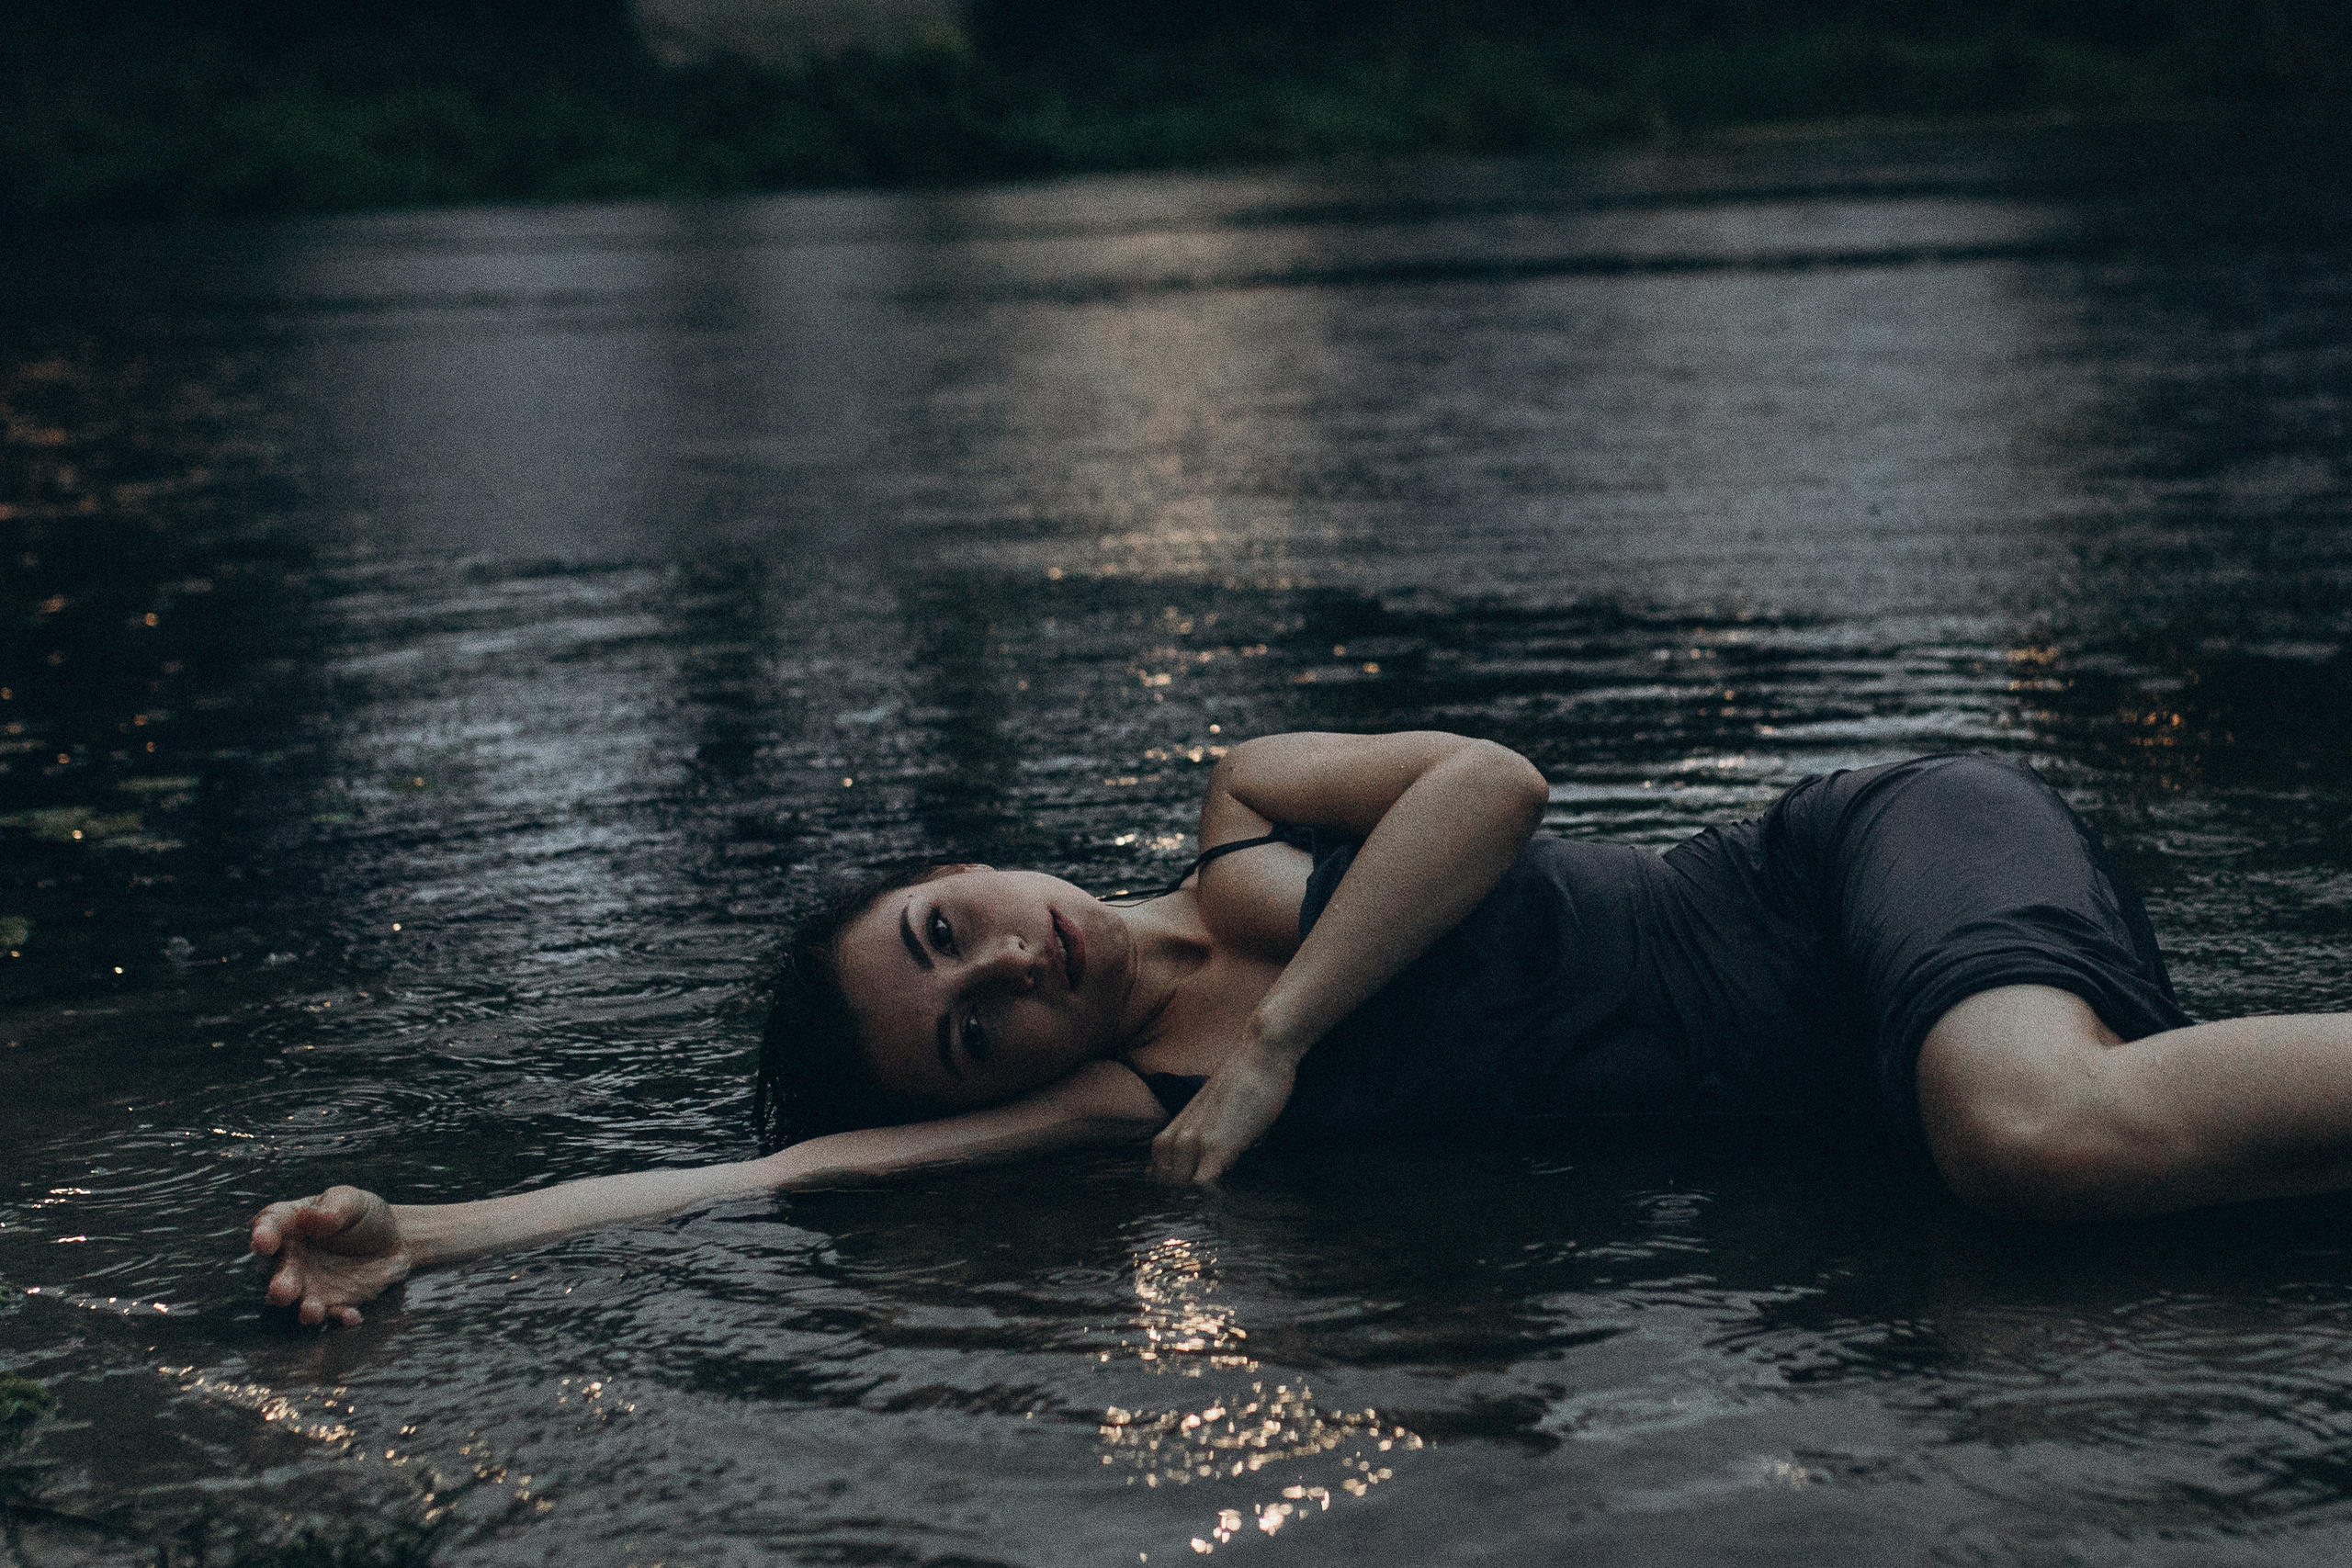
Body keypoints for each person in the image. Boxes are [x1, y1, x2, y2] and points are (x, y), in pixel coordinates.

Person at [249, 731, 2352, 1328]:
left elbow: (1490, 785)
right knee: (2046, 1264)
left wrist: (1280, 1044)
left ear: (961, 859)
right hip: (1848, 1083)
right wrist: (426, 1229)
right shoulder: (1124, 1099)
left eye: (947, 924)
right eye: (967, 1027)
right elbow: (787, 1170)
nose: (1004, 970)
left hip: (1853, 873)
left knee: (2025, 1138)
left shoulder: (1245, 822)